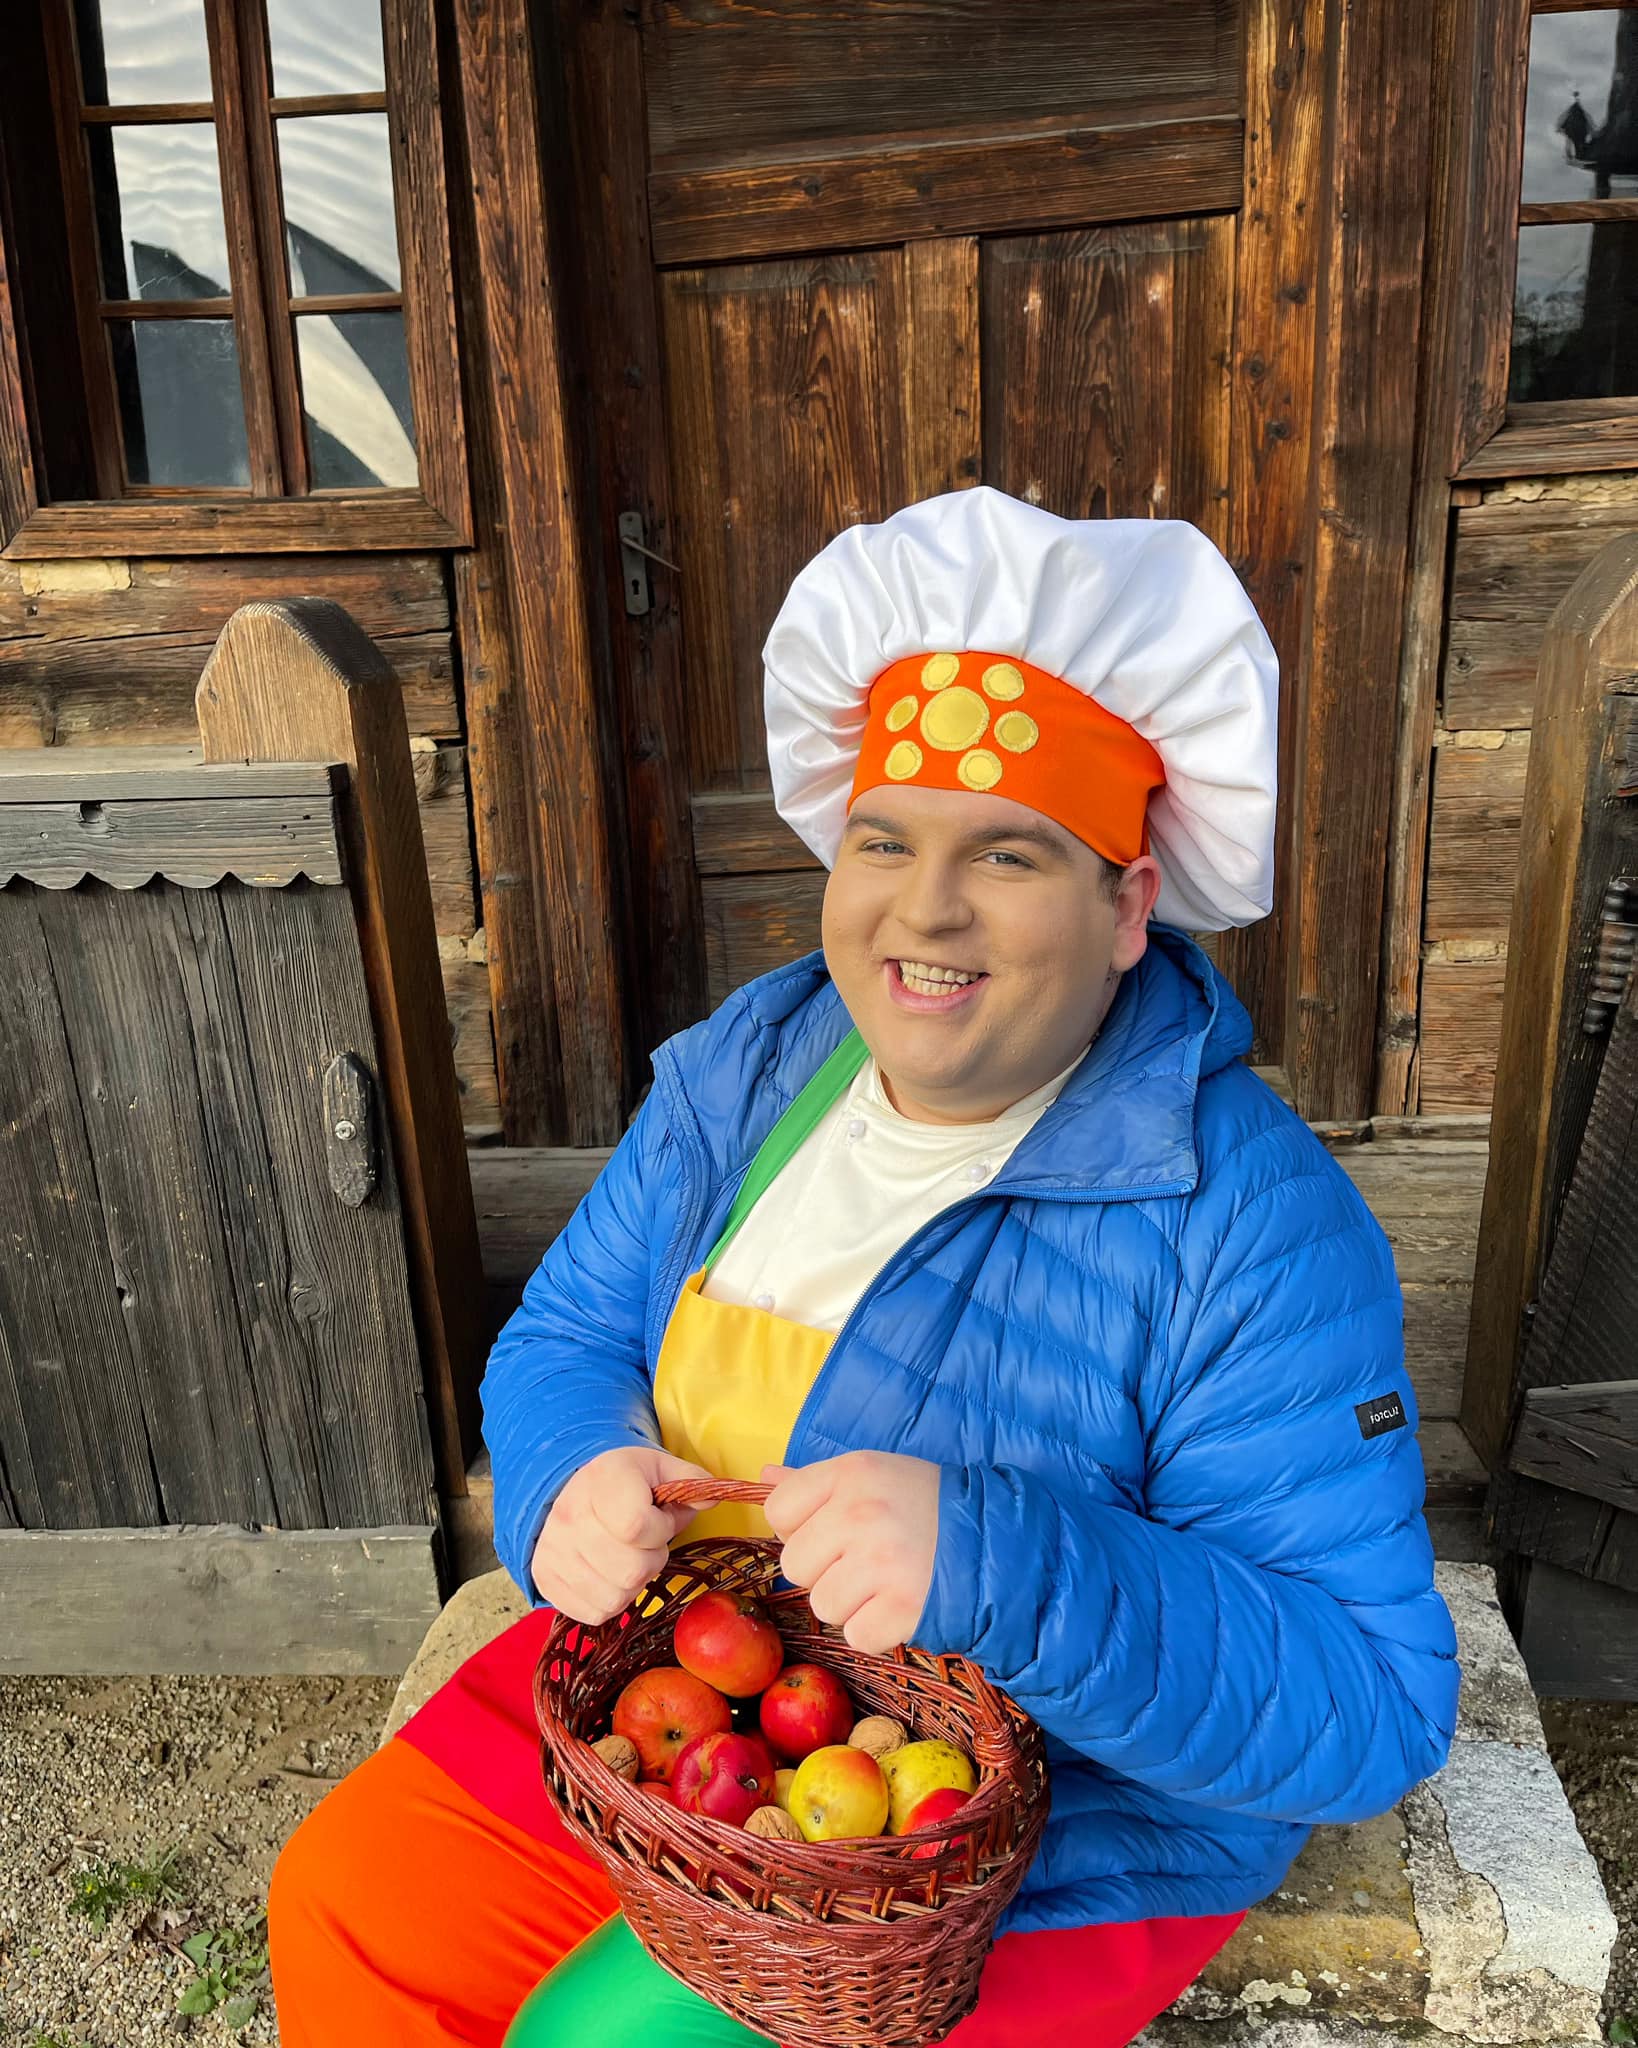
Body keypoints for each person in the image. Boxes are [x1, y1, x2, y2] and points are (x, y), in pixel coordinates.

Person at [268, 488, 1458, 2047]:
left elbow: (1370, 1704)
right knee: (350, 1901)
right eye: (882, 840)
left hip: (1017, 1831)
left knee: (610, 2039)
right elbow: (567, 1332)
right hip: (678, 1701)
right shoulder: (752, 1067)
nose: (924, 906)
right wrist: (569, 1473)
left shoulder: (1251, 1221)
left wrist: (997, 1563)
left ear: (1126, 908)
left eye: (1007, 854)